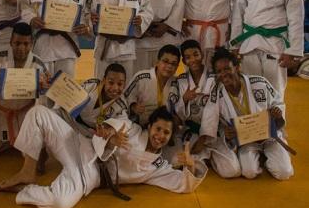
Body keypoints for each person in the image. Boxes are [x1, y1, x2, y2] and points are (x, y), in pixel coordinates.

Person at [0, 106, 207, 208]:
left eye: (166, 133)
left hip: (89, 173)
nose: (160, 136)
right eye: (158, 129)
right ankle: (27, 170)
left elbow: (183, 184)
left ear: (170, 137)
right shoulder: (132, 129)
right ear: (149, 126)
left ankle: (25, 191)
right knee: (38, 113)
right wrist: (110, 136)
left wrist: (192, 165)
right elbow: (109, 127)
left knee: (58, 205)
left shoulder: (157, 166)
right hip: (78, 145)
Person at [200, 48, 293, 180]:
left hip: (270, 135)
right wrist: (225, 133)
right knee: (249, 172)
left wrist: (277, 113)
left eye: (227, 69)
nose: (224, 74)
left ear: (237, 67)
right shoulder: (216, 95)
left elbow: (278, 102)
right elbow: (212, 124)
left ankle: (272, 154)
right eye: (219, 71)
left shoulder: (259, 83)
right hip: (246, 141)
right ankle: (261, 157)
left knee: (284, 173)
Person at [0, 23, 48, 159]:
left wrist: (43, 89)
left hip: (24, 116)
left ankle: (13, 140)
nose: (21, 48)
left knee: (31, 156)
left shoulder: (39, 65)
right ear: (11, 42)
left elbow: (47, 93)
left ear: (32, 44)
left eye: (26, 44)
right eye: (17, 43)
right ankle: (10, 141)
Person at [173, 40, 241, 178]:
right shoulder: (180, 81)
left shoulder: (215, 76)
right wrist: (184, 99)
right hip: (191, 133)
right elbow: (178, 115)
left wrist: (204, 138)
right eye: (188, 57)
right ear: (184, 61)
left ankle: (207, 155)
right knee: (176, 163)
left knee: (233, 171)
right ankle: (204, 157)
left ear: (202, 54)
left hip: (213, 132)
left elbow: (217, 108)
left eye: (196, 54)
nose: (193, 60)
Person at [124, 44, 181, 127]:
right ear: (157, 62)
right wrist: (133, 107)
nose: (169, 66)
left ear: (177, 67)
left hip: (164, 129)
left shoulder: (176, 82)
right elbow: (124, 97)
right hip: (139, 126)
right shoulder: (141, 77)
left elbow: (179, 108)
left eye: (173, 64)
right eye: (165, 61)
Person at [78, 63, 129, 129]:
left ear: (124, 85)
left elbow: (124, 122)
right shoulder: (91, 85)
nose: (115, 88)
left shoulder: (121, 105)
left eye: (120, 84)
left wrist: (112, 129)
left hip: (95, 131)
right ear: (104, 81)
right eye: (111, 82)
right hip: (74, 120)